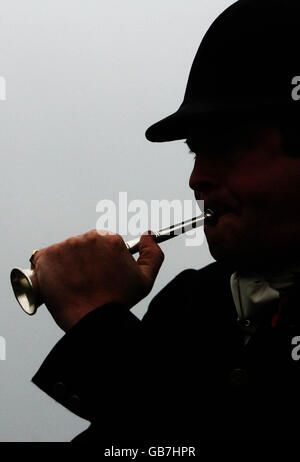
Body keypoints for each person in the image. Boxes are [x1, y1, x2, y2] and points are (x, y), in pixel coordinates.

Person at [31, 0, 300, 443]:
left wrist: (97, 322)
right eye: (196, 151)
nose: (197, 179)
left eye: (229, 146)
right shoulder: (190, 305)